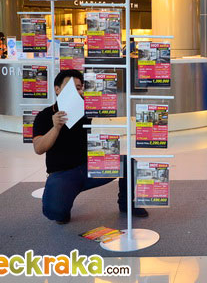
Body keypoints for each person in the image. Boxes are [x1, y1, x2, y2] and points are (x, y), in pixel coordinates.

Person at [33, 69, 148, 224]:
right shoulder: (44, 116)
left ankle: (126, 204)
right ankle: (63, 206)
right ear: (57, 89)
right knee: (55, 213)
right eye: (70, 88)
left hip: (90, 167)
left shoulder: (86, 109)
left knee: (128, 164)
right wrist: (56, 127)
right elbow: (39, 148)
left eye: (79, 88)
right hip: (63, 174)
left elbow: (108, 107)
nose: (76, 92)